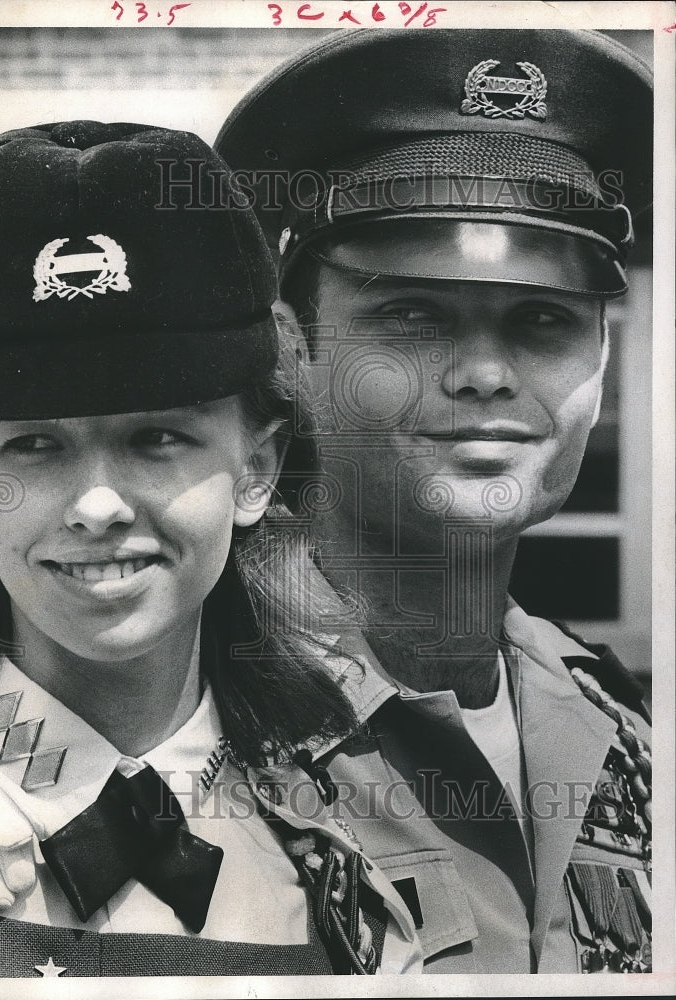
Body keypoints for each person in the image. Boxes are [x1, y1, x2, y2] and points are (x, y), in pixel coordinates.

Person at [0, 120, 423, 978]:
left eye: (157, 438)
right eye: (33, 444)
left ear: (256, 468)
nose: (97, 506)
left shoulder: (365, 830)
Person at [216, 29, 653, 973]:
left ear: (602, 361)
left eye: (544, 320)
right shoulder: (165, 725)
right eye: (410, 314)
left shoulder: (621, 727)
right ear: (293, 351)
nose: (486, 374)